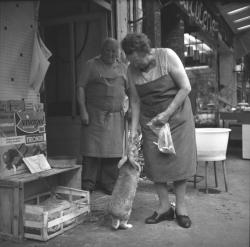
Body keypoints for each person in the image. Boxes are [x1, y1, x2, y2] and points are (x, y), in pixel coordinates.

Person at [121, 33, 197, 228]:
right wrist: (132, 135)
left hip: (177, 116)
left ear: (144, 51)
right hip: (151, 121)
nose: (133, 64)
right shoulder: (131, 70)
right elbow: (136, 101)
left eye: (135, 59)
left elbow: (185, 87)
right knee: (155, 163)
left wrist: (167, 114)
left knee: (179, 162)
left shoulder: (167, 56)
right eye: (130, 60)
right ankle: (164, 207)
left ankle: (181, 209)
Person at [77, 38, 133, 195]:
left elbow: (131, 92)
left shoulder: (123, 68)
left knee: (112, 153)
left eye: (114, 50)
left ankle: (109, 183)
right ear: (102, 50)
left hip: (116, 117)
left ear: (118, 52)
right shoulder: (90, 65)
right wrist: (83, 111)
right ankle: (88, 183)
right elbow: (80, 87)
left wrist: (131, 110)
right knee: (91, 151)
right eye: (108, 50)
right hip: (94, 116)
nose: (110, 53)